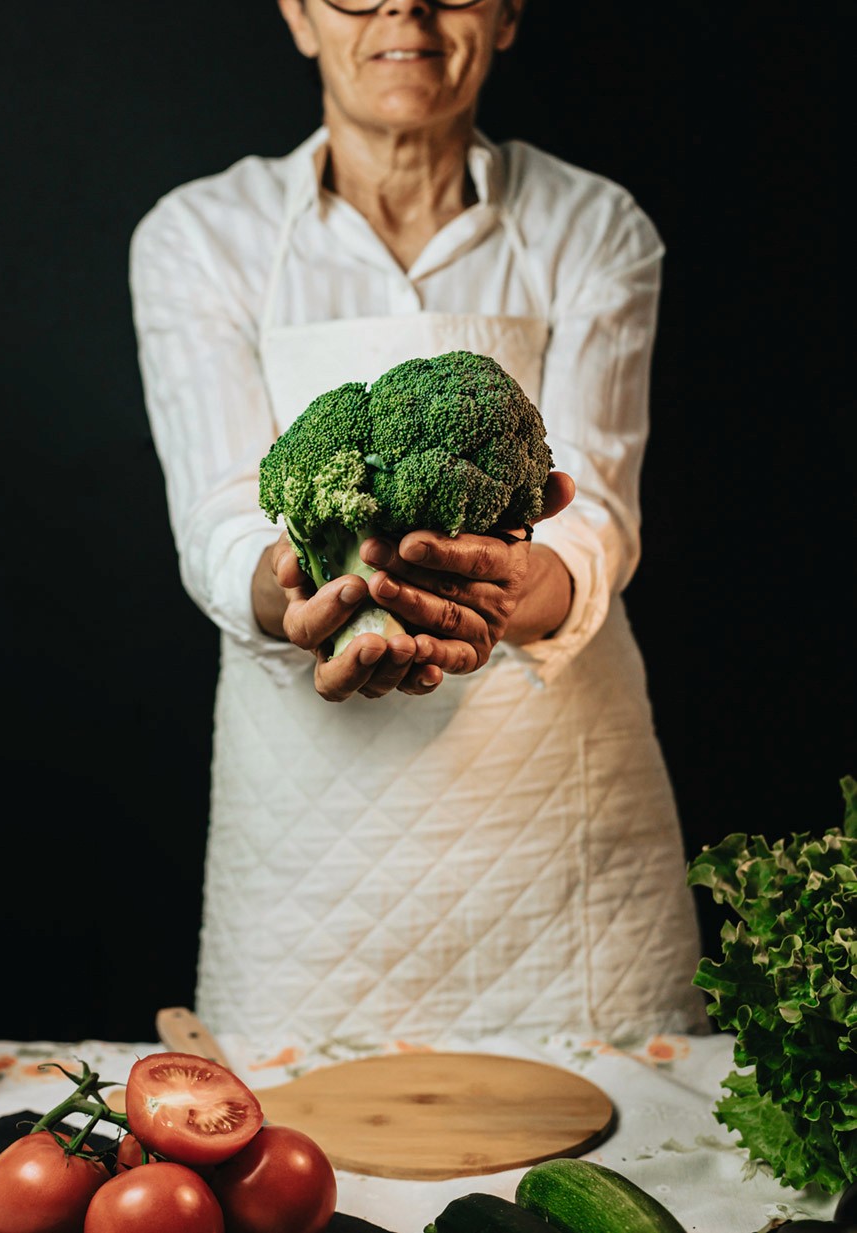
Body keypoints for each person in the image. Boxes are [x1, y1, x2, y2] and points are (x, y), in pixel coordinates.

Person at [129, 0, 706, 1048]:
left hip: (559, 824)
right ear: (298, 14)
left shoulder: (593, 225)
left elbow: (597, 513)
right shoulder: (202, 235)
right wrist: (301, 591)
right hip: (305, 845)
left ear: (509, 12)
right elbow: (220, 517)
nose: (405, 6)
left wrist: (514, 586)